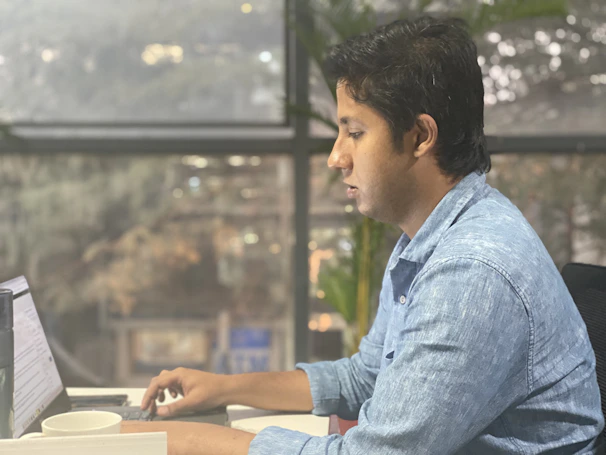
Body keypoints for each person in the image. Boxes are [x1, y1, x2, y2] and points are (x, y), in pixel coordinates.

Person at [122, 16, 605, 454]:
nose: (336, 157)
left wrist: (183, 440)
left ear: (420, 136)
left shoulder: (472, 273)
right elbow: (368, 376)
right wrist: (226, 389)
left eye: (354, 132)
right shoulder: (431, 237)